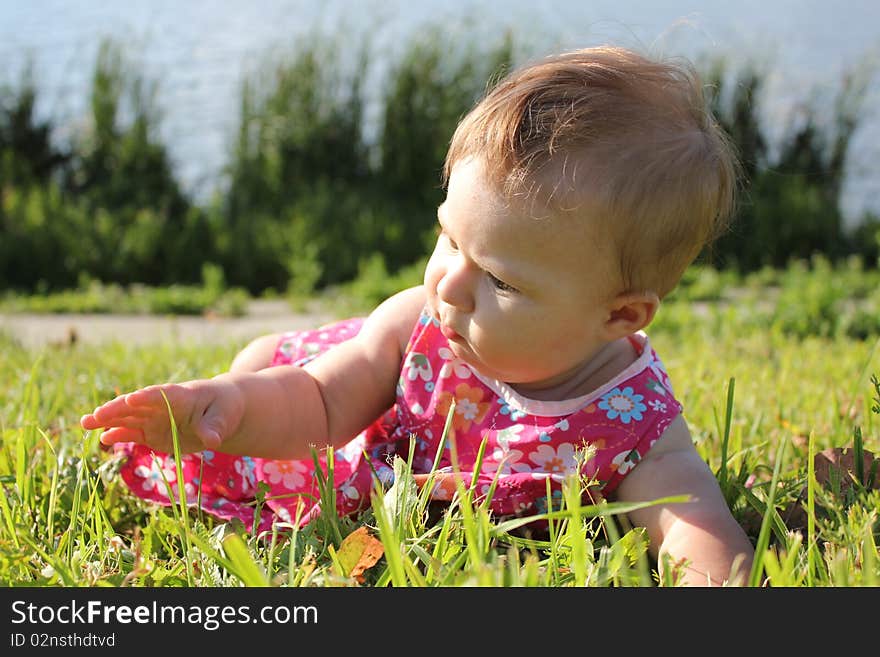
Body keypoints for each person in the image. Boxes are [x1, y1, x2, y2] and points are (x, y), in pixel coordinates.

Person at [81, 45, 755, 586]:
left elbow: (693, 522)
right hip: (340, 415)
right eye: (448, 238)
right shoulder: (422, 323)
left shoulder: (629, 419)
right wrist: (220, 407)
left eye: (499, 280)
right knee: (262, 368)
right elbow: (319, 401)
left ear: (620, 314)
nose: (449, 285)